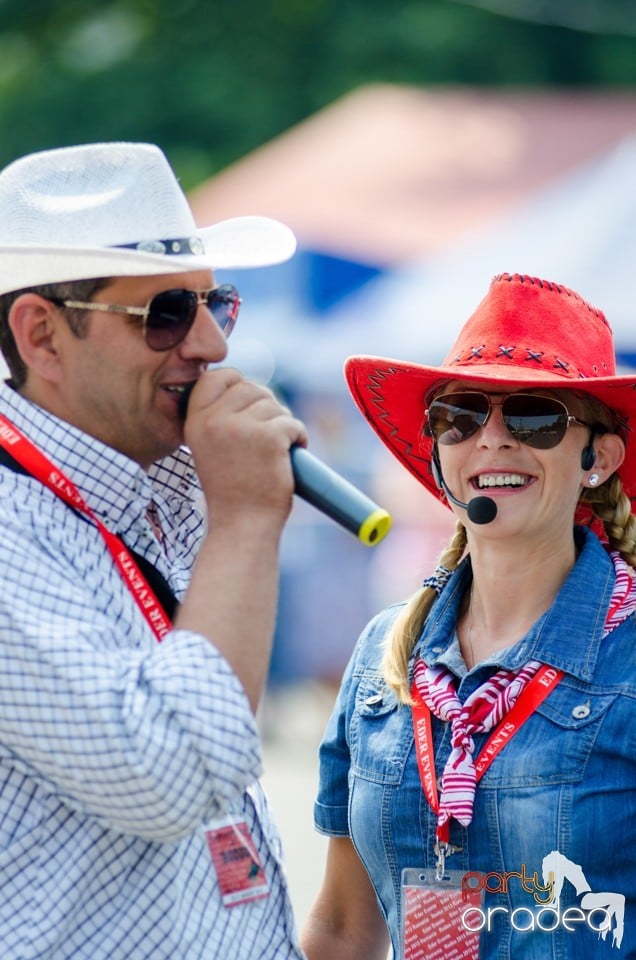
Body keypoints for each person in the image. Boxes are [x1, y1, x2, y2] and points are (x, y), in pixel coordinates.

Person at [0, 141, 309, 959]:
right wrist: (245, 519)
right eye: (166, 313)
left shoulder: (166, 478)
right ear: (41, 336)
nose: (210, 344)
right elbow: (170, 778)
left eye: (219, 304)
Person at [301, 273, 636, 959]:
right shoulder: (382, 652)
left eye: (533, 416)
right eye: (459, 416)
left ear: (596, 459)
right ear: (436, 448)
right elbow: (341, 931)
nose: (490, 440)